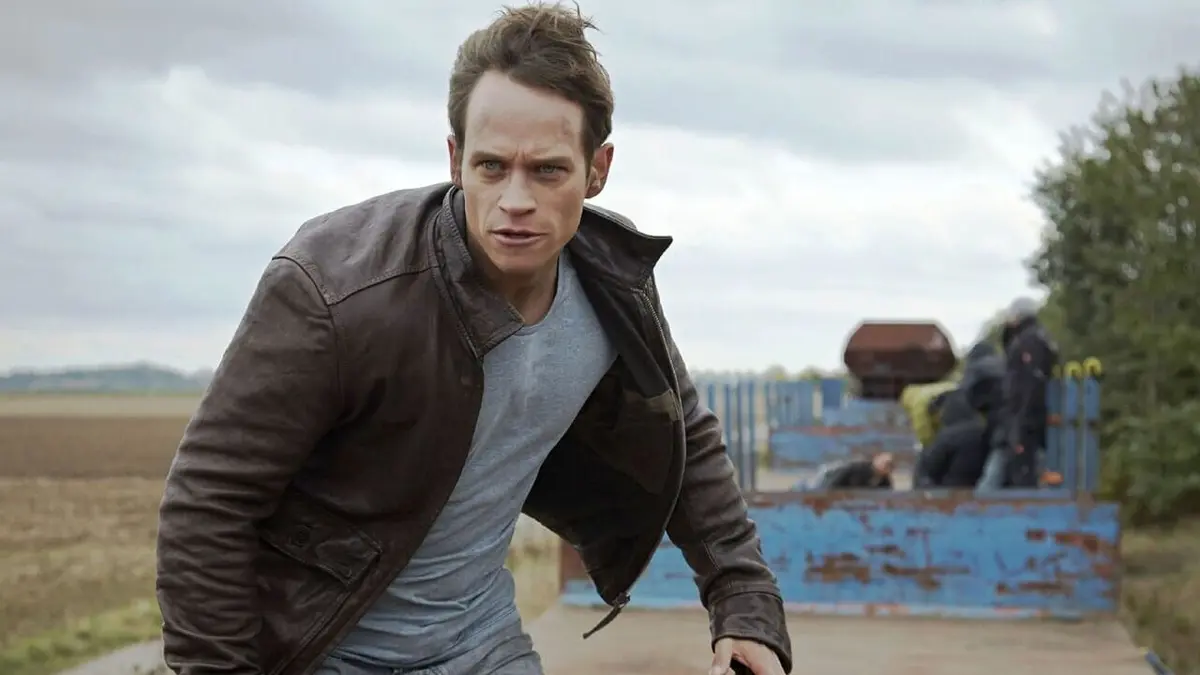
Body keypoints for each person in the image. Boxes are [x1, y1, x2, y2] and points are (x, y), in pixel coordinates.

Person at [154, 5, 791, 675]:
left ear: (597, 169)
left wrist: (745, 601)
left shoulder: (613, 280)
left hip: (479, 643)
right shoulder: (334, 287)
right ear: (456, 159)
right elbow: (208, 504)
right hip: (317, 649)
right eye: (491, 167)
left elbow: (685, 436)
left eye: (547, 171)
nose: (515, 200)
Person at [977, 297, 1059, 490]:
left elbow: (1027, 385)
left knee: (1015, 473)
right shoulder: (1037, 338)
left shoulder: (1027, 342)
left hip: (1022, 420)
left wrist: (1020, 424)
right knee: (1024, 471)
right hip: (1026, 420)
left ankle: (980, 506)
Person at [913, 342, 1004, 488]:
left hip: (951, 484)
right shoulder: (1005, 371)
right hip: (1001, 437)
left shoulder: (968, 381)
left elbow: (926, 470)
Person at [810, 452, 895, 490]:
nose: (885, 466)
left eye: (889, 465)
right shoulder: (858, 469)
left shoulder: (885, 482)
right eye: (884, 462)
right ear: (876, 459)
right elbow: (834, 482)